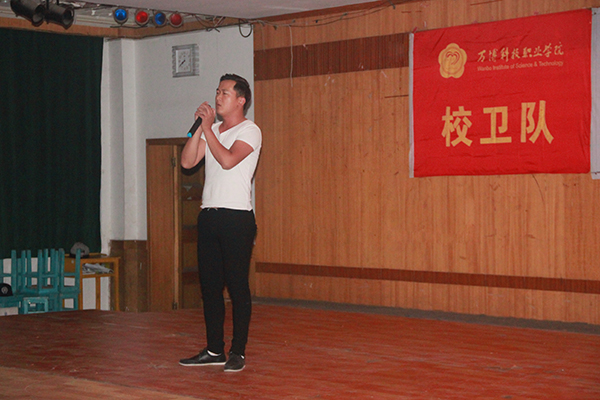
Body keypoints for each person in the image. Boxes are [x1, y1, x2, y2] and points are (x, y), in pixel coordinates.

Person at [179, 74, 261, 372]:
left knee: (237, 285)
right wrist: (201, 129)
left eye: (225, 92)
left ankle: (238, 351)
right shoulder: (211, 129)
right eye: (217, 91)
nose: (218, 97)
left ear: (241, 100)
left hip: (236, 217)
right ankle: (214, 349)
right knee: (210, 287)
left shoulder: (250, 130)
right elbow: (188, 162)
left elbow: (227, 160)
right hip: (209, 215)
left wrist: (207, 130)